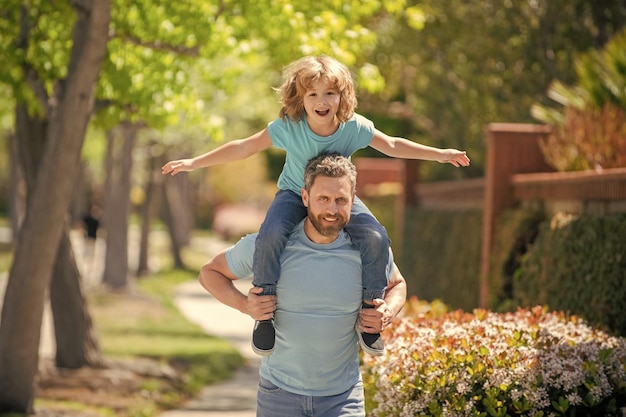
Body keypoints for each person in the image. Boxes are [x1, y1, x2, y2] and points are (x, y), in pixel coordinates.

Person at [162, 55, 470, 356]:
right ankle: (265, 314)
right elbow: (244, 147)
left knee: (375, 237)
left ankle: (370, 315)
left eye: (330, 93)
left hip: (337, 197)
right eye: (313, 94)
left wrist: (440, 154)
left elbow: (391, 144)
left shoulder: (353, 127)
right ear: (301, 97)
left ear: (342, 97)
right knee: (271, 236)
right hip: (293, 194)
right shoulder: (289, 126)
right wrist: (194, 162)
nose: (321, 101)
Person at [198, 153, 407, 417]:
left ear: (352, 201)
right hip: (279, 396)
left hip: (342, 399)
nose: (332, 210)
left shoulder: (369, 251)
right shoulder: (268, 247)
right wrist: (245, 305)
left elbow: (397, 284)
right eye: (323, 199)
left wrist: (386, 311)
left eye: (341, 200)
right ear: (305, 197)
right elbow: (209, 273)